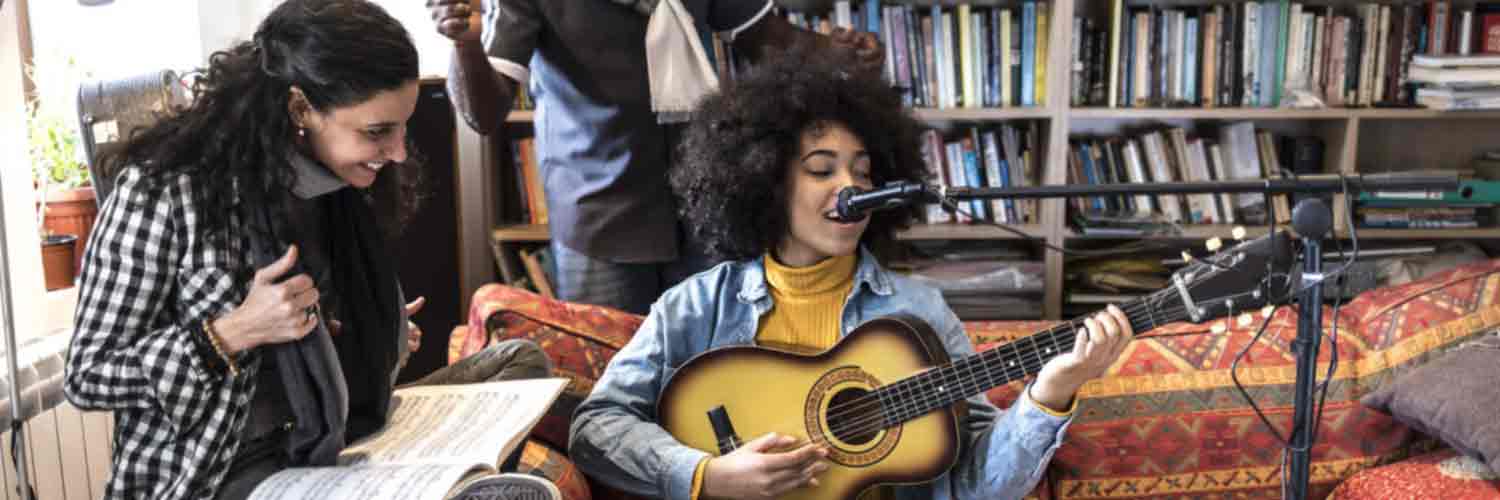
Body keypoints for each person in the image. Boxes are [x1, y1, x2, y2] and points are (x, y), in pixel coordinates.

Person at [566, 45, 1136, 500]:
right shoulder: (695, 308)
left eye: (864, 174)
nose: (852, 188)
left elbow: (980, 484)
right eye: (822, 168)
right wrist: (705, 475)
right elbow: (596, 426)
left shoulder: (920, 314)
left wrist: (1051, 391)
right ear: (764, 180)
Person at [63, 2, 556, 499]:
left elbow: (311, 353)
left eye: (401, 126)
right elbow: (88, 376)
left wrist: (371, 335)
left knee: (521, 362)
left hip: (334, 437)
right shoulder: (164, 190)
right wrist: (231, 333)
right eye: (377, 132)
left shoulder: (335, 192)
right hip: (227, 472)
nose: (400, 152)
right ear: (300, 108)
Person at [425, 0, 883, 315]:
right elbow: (483, 114)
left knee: (717, 365)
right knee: (612, 374)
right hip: (601, 215)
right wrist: (465, 43)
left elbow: (766, 38)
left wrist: (839, 55)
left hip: (708, 204)